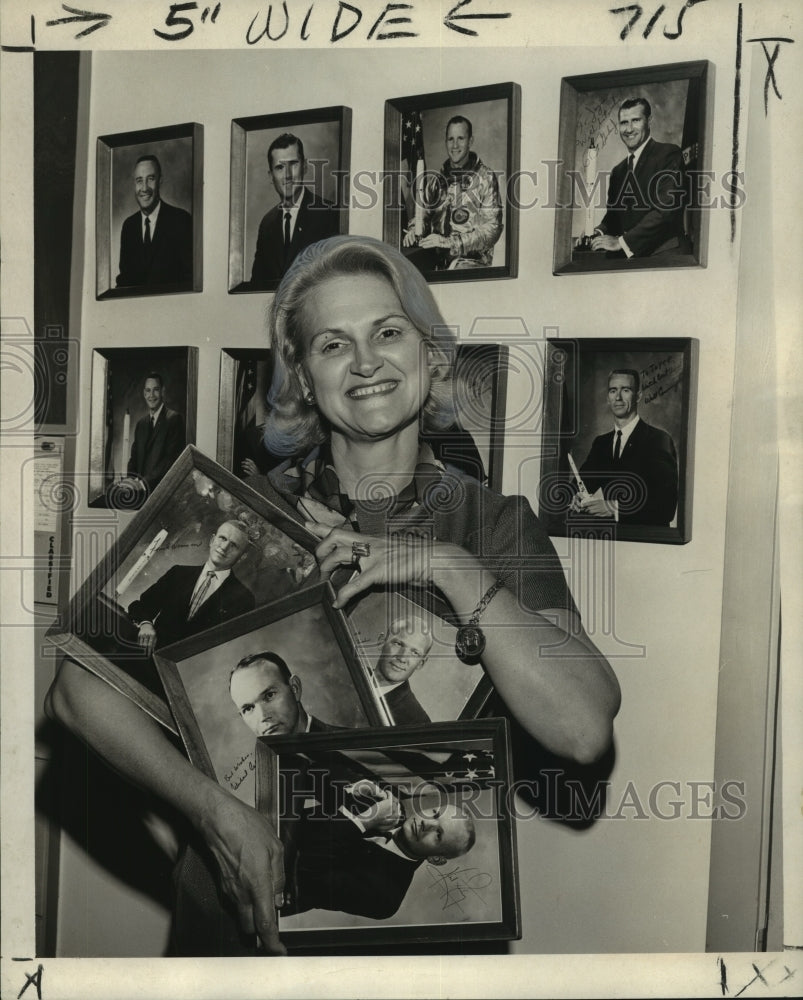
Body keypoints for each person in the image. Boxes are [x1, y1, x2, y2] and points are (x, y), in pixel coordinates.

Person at [46, 235, 619, 957]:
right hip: (237, 932)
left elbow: (581, 728)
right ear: (301, 377)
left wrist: (446, 566)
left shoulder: (493, 525)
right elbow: (76, 692)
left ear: (429, 352)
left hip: (405, 941)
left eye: (387, 331)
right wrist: (213, 813)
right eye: (331, 344)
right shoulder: (242, 509)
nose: (366, 362)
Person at [285, 788, 475, 919]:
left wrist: (365, 822)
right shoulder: (388, 808)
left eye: (438, 834)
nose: (427, 823)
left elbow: (303, 868)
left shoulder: (386, 896)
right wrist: (355, 788)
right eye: (434, 813)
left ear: (436, 858)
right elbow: (315, 774)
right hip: (268, 821)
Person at [569, 369, 679, 527]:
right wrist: (576, 498)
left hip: (646, 543)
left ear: (638, 396)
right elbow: (580, 485)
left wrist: (614, 508)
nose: (618, 398)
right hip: (607, 541)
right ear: (608, 398)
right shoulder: (601, 443)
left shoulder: (659, 440)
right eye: (613, 391)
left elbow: (666, 508)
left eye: (625, 390)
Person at [127, 520, 256, 654]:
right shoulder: (178, 573)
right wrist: (146, 624)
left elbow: (228, 649)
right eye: (222, 538)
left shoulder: (244, 599)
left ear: (242, 556)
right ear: (212, 540)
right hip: (149, 655)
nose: (224, 547)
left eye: (234, 545)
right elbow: (140, 607)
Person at [591, 97, 690, 258]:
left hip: (667, 255)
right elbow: (615, 215)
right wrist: (598, 232)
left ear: (649, 121)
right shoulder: (618, 171)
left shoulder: (669, 155)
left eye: (635, 120)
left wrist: (621, 242)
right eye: (624, 123)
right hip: (636, 258)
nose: (629, 129)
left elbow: (665, 212)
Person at [402, 115, 502, 270]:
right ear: (445, 142)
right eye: (450, 139)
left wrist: (450, 243)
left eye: (460, 138)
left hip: (471, 262)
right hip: (435, 260)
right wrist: (413, 229)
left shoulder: (485, 178)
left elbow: (492, 229)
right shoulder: (437, 181)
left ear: (470, 141)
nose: (455, 145)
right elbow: (423, 214)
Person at [249, 133, 339, 289]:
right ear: (271, 177)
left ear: (304, 167)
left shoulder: (330, 213)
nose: (287, 175)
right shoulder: (267, 224)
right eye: (280, 167)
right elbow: (257, 285)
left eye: (293, 164)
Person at [116, 154, 193, 287]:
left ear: (160, 181)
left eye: (150, 179)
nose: (144, 188)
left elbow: (190, 279)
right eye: (139, 180)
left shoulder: (181, 220)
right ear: (134, 184)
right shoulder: (129, 226)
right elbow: (124, 280)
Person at [229, 651, 335, 736]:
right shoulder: (262, 762)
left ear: (295, 688)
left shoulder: (348, 747)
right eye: (248, 708)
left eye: (269, 696)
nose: (263, 716)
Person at [122, 372, 186, 495]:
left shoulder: (174, 419)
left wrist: (142, 483)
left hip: (161, 494)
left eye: (155, 390)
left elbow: (170, 461)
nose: (151, 395)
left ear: (163, 391)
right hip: (139, 493)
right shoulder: (141, 424)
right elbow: (134, 458)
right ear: (144, 393)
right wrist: (130, 479)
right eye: (148, 390)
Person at [373, 615, 433, 725]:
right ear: (381, 642)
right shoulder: (346, 672)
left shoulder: (417, 722)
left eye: (415, 653)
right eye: (398, 644)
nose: (402, 657)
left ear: (421, 663)